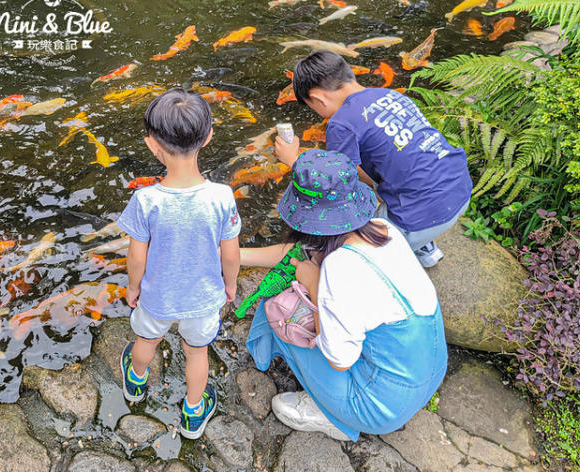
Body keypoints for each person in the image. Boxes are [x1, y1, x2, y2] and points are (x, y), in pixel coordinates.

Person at [241, 149, 447, 441]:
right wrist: (232, 255)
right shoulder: (382, 229)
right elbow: (295, 256)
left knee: (278, 311)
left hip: (382, 407)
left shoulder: (338, 269)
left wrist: (314, 285)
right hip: (427, 373)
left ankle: (332, 416)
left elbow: (340, 360)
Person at [116, 88, 241, 439]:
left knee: (145, 341)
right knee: (196, 353)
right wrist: (229, 285)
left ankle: (136, 383)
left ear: (152, 145)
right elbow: (230, 254)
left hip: (157, 298)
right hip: (203, 300)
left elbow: (137, 255)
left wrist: (133, 287)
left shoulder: (145, 200)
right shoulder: (221, 197)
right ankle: (192, 413)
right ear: (209, 137)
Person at [274, 50, 472, 267]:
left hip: (417, 219)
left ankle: (401, 244)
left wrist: (293, 160)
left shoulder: (341, 124)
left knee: (339, 232)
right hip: (460, 191)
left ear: (317, 99)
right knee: (399, 170)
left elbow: (336, 189)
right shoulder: (391, 95)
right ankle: (424, 246)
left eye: (312, 107)